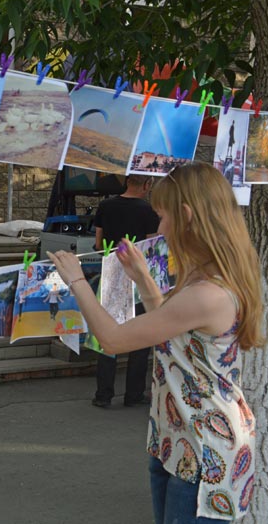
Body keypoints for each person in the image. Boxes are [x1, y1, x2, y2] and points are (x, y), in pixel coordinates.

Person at [47, 162, 264, 523]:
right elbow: (172, 332)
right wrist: (145, 280)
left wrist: (77, 282)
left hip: (203, 456)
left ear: (187, 216)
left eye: (162, 217)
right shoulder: (206, 276)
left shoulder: (208, 292)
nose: (158, 228)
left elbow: (114, 340)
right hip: (177, 441)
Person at [92, 173, 160, 408]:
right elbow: (151, 248)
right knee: (140, 338)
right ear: (147, 184)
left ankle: (103, 395)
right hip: (137, 279)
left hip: (111, 274)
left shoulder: (106, 206)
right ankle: (134, 395)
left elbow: (99, 243)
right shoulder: (149, 211)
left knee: (107, 333)